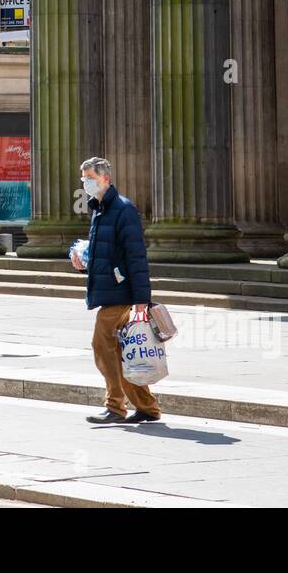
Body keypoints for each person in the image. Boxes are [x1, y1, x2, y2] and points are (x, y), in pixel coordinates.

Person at [69, 156, 162, 424]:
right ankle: (146, 406)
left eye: (89, 178)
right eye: (83, 178)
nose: (84, 183)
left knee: (103, 345)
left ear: (105, 179)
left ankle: (115, 406)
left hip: (121, 295)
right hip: (110, 290)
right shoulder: (100, 209)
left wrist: (142, 300)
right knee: (121, 351)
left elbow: (136, 257)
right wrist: (84, 260)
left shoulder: (123, 210)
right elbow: (110, 253)